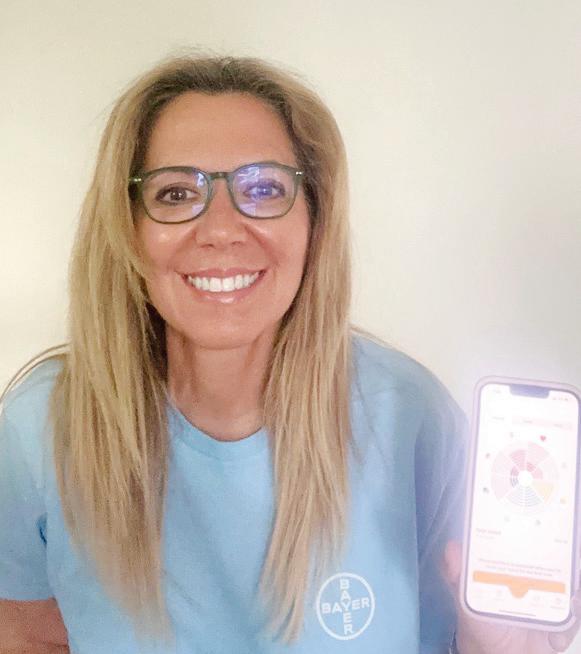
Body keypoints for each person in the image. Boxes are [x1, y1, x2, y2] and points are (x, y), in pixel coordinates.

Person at [0, 53, 579, 654]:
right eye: (175, 193)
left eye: (263, 189)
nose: (220, 229)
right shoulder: (40, 427)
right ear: (126, 228)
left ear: (314, 222)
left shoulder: (410, 416)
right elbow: (29, 639)